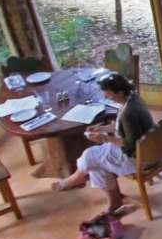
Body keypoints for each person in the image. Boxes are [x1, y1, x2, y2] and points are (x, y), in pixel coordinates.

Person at [52, 73, 154, 216]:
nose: (107, 98)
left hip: (139, 157)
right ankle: (112, 200)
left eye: (109, 95)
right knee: (94, 161)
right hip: (153, 149)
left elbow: (130, 145)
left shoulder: (128, 114)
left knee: (90, 157)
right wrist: (104, 129)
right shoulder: (133, 99)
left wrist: (105, 138)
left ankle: (73, 180)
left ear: (119, 92)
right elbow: (123, 129)